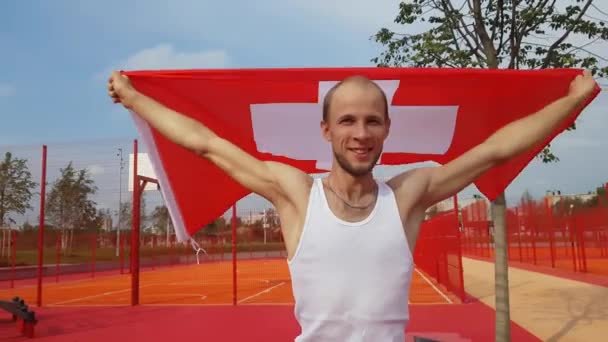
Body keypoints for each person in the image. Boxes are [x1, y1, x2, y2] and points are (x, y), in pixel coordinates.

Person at [107, 70, 597, 341]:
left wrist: (571, 102)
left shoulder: (407, 197)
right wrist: (134, 98)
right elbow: (205, 144)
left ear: (387, 128)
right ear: (326, 131)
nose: (360, 134)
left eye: (372, 121)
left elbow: (495, 149)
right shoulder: (296, 195)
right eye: (346, 121)